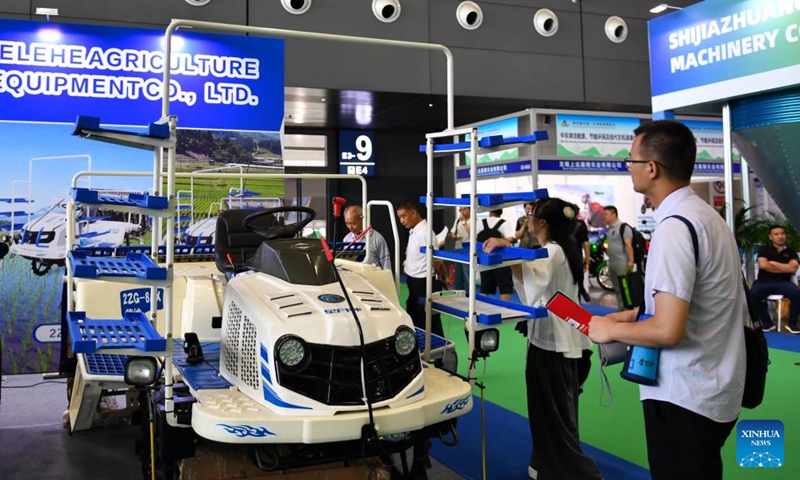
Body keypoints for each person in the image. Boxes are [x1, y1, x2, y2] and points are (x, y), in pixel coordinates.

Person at [588, 120, 746, 480]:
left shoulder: (675, 226)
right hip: (715, 386)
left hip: (685, 394)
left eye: (631, 160)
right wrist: (633, 315)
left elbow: (668, 330)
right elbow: (702, 299)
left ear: (652, 168)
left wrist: (606, 328)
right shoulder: (706, 217)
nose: (628, 167)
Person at [483, 197, 602, 480]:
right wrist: (510, 252)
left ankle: (576, 472)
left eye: (531, 216)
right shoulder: (564, 248)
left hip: (555, 344)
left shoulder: (552, 251)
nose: (528, 220)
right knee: (554, 413)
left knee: (554, 416)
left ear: (543, 222)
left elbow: (535, 290)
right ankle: (548, 464)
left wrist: (507, 247)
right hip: (562, 341)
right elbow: (531, 281)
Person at [396, 199, 447, 336]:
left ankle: (441, 354)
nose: (401, 221)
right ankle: (421, 348)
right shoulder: (415, 231)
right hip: (414, 281)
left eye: (403, 216)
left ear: (413, 213)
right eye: (399, 217)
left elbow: (437, 262)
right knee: (415, 317)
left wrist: (443, 279)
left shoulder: (425, 232)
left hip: (425, 282)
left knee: (430, 319)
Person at [750, 224, 800, 334]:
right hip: (764, 282)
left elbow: (793, 268)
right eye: (776, 234)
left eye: (782, 233)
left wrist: (773, 263)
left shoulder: (791, 252)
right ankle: (767, 323)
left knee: (796, 293)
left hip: (784, 283)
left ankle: (792, 324)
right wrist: (784, 267)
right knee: (753, 294)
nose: (780, 236)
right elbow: (763, 265)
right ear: (770, 237)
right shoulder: (765, 250)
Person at [476, 209, 515, 301]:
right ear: (501, 212)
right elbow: (509, 239)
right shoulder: (504, 223)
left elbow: (476, 238)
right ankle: (506, 312)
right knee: (504, 289)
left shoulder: (480, 223)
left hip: (485, 259)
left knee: (485, 287)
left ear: (490, 212)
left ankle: (480, 309)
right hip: (501, 260)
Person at [603, 205, 634, 310]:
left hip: (622, 264)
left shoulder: (623, 228)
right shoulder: (610, 230)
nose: (604, 217)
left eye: (606, 214)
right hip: (612, 263)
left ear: (613, 214)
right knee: (617, 288)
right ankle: (621, 309)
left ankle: (628, 309)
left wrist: (631, 261)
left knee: (625, 288)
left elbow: (628, 245)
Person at [342, 205, 391, 270]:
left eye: (353, 223)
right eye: (347, 224)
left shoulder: (378, 239)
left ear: (362, 219)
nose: (350, 227)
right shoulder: (346, 239)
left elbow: (386, 266)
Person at [448, 206, 471, 291]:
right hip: (458, 251)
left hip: (468, 252)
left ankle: (470, 299)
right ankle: (459, 298)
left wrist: (464, 222)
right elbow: (452, 232)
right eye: (460, 210)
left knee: (468, 278)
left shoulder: (475, 221)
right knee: (457, 279)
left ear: (470, 209)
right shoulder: (457, 220)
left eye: (464, 209)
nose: (462, 212)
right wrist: (453, 236)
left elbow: (473, 234)